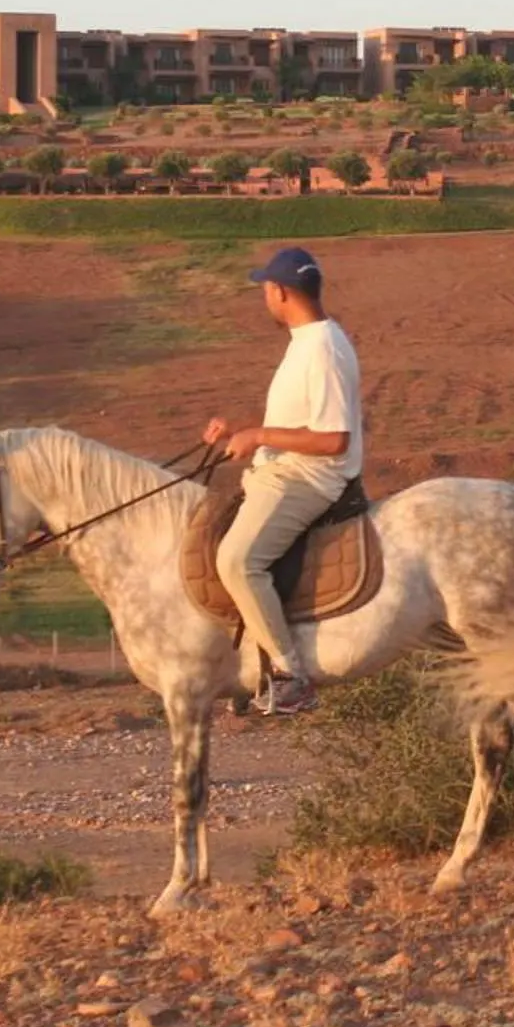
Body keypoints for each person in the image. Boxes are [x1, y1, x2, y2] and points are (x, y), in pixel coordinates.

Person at [203, 246, 363, 716]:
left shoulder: (324, 349)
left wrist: (259, 435)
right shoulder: (307, 342)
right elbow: (299, 420)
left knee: (236, 560)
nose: (264, 299)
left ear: (280, 292)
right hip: (284, 466)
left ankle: (293, 676)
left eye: (264, 291)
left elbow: (334, 439)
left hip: (311, 477)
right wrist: (241, 432)